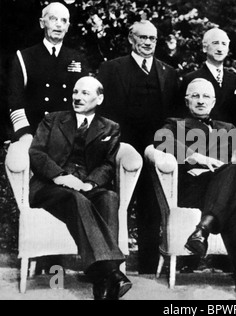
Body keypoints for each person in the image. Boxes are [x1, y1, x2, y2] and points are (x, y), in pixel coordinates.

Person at [154, 78, 236, 300]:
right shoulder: (174, 124)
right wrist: (196, 157)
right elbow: (161, 142)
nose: (201, 101)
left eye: (205, 97)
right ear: (186, 101)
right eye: (195, 96)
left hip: (220, 192)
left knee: (232, 173)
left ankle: (202, 230)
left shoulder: (227, 128)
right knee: (233, 186)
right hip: (191, 189)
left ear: (213, 102)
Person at [29, 76, 132, 300]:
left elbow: (108, 163)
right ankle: (111, 272)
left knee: (109, 197)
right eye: (76, 92)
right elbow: (37, 153)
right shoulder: (53, 120)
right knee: (76, 199)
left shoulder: (110, 128)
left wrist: (90, 183)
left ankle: (103, 286)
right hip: (50, 187)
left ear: (99, 98)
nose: (77, 97)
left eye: (85, 93)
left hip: (86, 184)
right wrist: (61, 177)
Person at [97, 20, 179, 273]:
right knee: (115, 204)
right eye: (142, 37)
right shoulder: (111, 69)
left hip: (155, 150)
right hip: (120, 149)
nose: (147, 42)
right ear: (131, 39)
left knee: (151, 205)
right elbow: (101, 112)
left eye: (152, 38)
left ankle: (148, 266)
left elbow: (174, 115)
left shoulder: (168, 72)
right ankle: (109, 266)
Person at [8, 2, 89, 143]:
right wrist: (24, 135)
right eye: (53, 19)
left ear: (68, 27)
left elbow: (86, 101)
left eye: (63, 21)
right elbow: (15, 101)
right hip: (34, 135)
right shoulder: (24, 57)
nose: (58, 25)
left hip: (70, 136)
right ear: (42, 23)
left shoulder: (77, 58)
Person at [180, 28, 236, 127]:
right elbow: (182, 114)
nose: (219, 48)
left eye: (224, 44)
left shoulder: (235, 79)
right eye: (215, 43)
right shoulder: (191, 78)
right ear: (205, 47)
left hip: (230, 138)